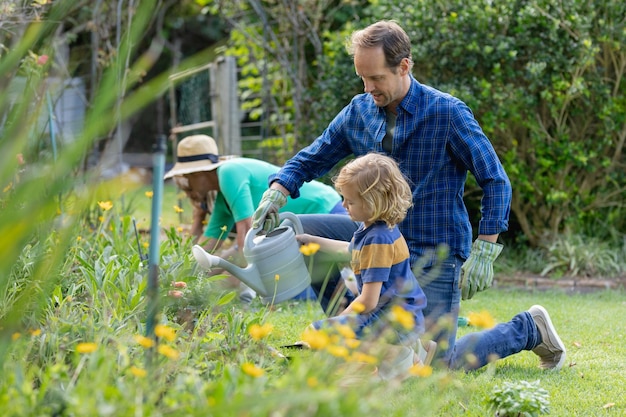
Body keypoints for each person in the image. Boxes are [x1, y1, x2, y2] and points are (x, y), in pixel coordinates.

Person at [252, 20, 566, 371]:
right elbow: (313, 157)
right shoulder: (358, 112)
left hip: (433, 246)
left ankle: (528, 329)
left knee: (432, 363)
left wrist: (486, 248)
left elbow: (495, 179)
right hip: (373, 235)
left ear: (404, 66)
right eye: (363, 78)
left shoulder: (446, 113)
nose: (368, 87)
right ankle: (353, 332)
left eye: (377, 78)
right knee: (295, 234)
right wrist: (278, 190)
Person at [293, 153, 436, 374]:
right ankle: (411, 349)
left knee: (317, 333)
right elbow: (350, 251)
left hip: (391, 322)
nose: (343, 205)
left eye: (350, 201)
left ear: (372, 202)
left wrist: (339, 322)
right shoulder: (374, 228)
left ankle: (401, 357)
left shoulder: (377, 239)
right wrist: (311, 241)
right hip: (402, 317)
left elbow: (368, 301)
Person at [164, 134, 347, 301]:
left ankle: (351, 283)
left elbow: (247, 237)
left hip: (323, 208)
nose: (188, 185)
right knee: (288, 286)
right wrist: (186, 275)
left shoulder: (229, 172)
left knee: (285, 292)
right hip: (297, 227)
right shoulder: (222, 198)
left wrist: (243, 283)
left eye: (189, 178)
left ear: (200, 173)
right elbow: (209, 244)